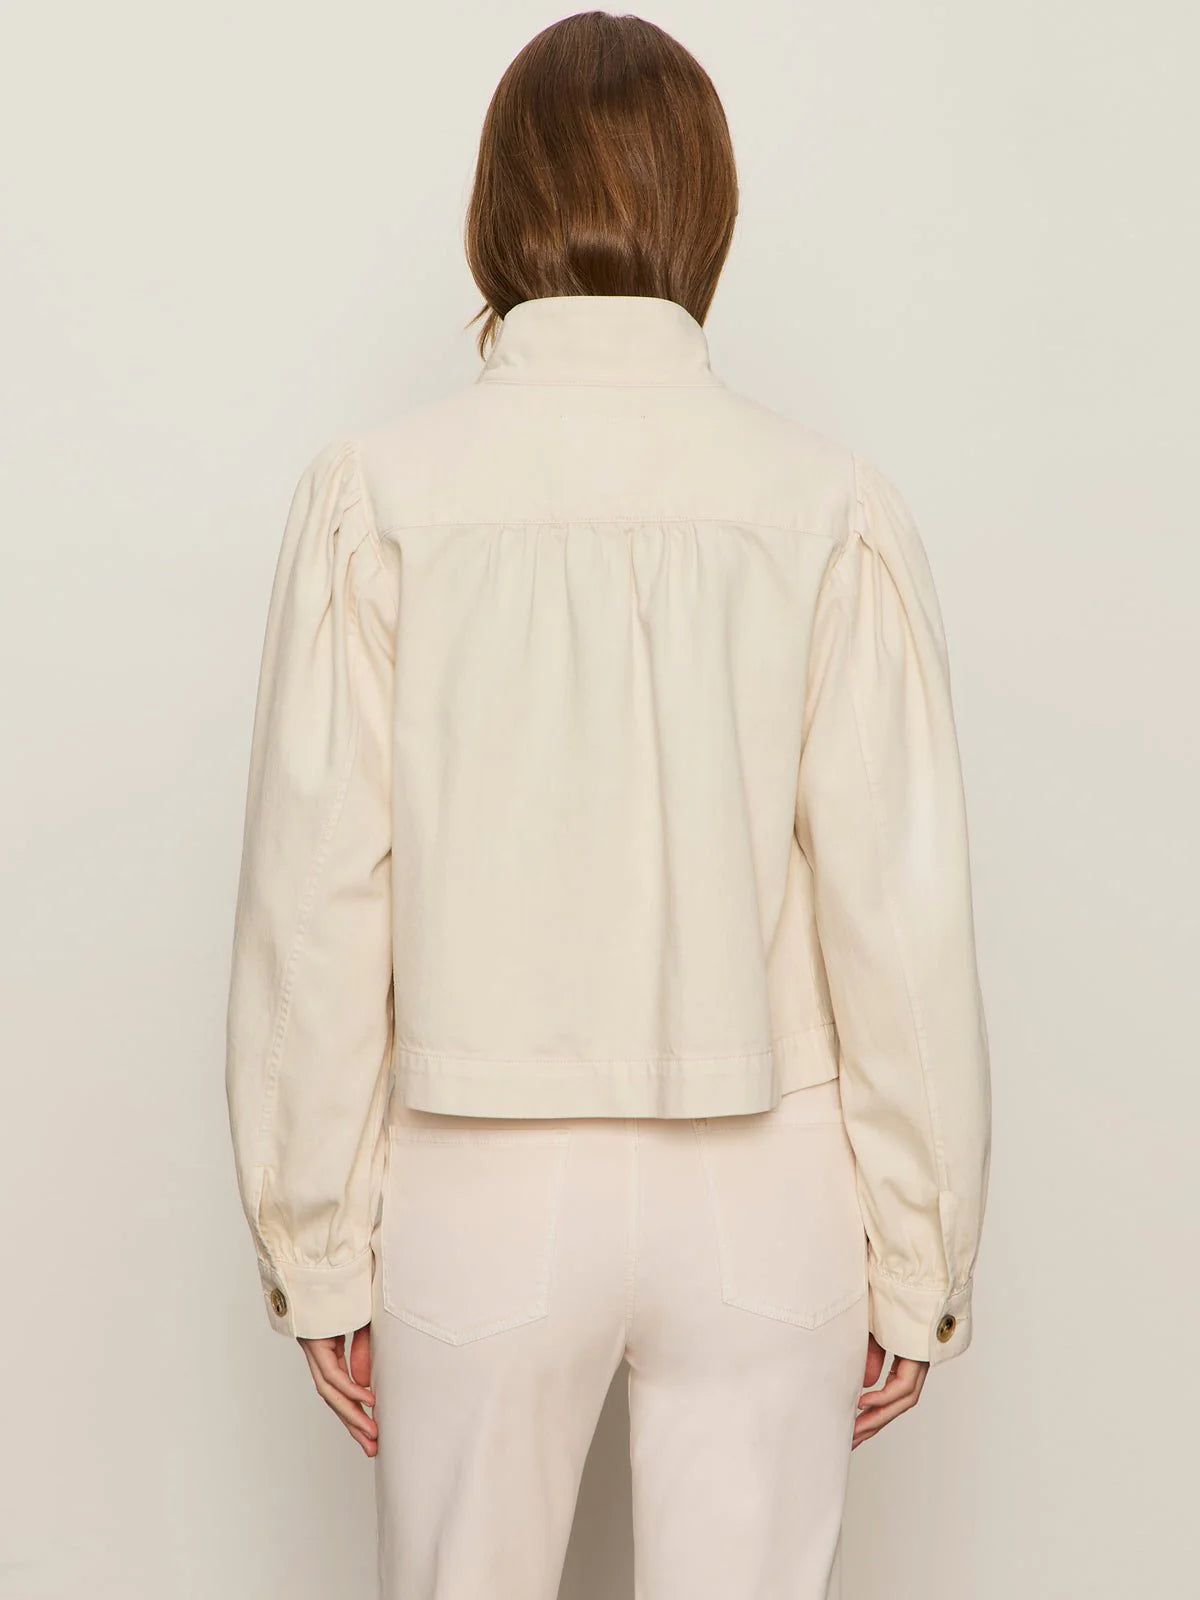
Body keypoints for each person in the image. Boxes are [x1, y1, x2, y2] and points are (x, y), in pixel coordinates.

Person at [224, 11, 992, 1598]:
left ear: (496, 206)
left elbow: (316, 896)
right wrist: (923, 1248)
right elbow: (897, 915)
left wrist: (315, 1242)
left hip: (478, 1179)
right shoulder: (826, 507)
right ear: (708, 206)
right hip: (767, 1183)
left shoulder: (381, 497)